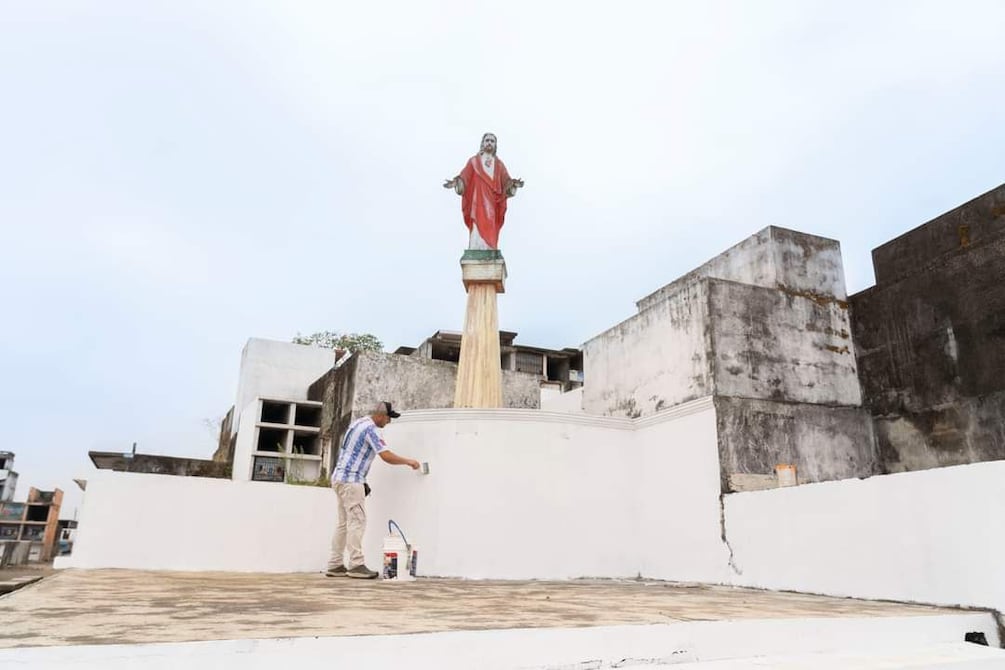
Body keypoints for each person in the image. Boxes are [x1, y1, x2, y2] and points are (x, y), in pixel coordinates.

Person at [326, 401, 420, 579]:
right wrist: (409, 462)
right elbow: (386, 455)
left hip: (339, 478)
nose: (388, 422)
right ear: (380, 415)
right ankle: (356, 565)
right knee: (357, 521)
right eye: (387, 418)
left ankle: (335, 564)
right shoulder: (372, 430)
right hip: (352, 481)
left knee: (343, 523)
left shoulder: (358, 423)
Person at [443, 132, 524, 250]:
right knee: (477, 225)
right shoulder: (474, 161)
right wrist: (457, 182)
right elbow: (465, 176)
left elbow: (506, 181)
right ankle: (476, 248)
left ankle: (490, 249)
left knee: (490, 225)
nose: (489, 143)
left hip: (492, 203)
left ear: (495, 145)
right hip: (477, 200)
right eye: (487, 140)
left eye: (492, 141)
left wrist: (513, 184)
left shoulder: (499, 165)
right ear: (482, 143)